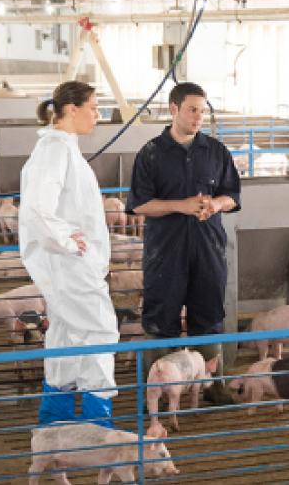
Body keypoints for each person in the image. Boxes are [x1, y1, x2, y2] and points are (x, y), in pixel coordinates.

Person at [126, 82, 241, 404]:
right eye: (192, 110)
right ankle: (152, 390)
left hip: (208, 246)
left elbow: (233, 195)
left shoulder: (216, 151)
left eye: (203, 111)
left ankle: (212, 386)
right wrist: (183, 205)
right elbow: (139, 204)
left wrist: (215, 205)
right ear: (174, 109)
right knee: (161, 318)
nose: (198, 117)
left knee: (210, 315)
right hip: (166, 250)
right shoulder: (151, 153)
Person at [19, 81, 119, 426]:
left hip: (68, 265)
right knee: (100, 332)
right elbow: (37, 208)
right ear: (72, 109)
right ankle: (96, 422)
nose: (98, 115)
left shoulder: (61, 148)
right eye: (93, 107)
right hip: (70, 265)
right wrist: (66, 240)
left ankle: (55, 421)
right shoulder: (56, 151)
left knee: (64, 332)